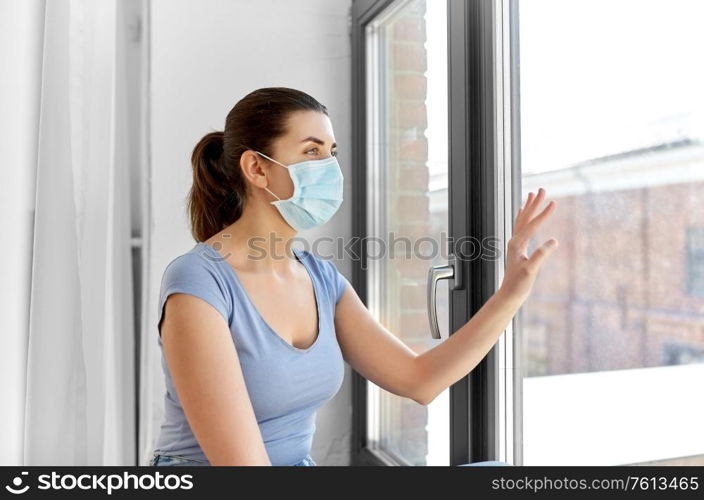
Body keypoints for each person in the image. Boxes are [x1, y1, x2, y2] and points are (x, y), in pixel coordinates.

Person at [151, 87, 558, 467]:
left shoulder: (320, 278)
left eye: (331, 153)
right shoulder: (199, 284)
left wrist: (510, 293)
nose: (329, 168)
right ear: (257, 168)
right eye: (311, 151)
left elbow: (419, 380)